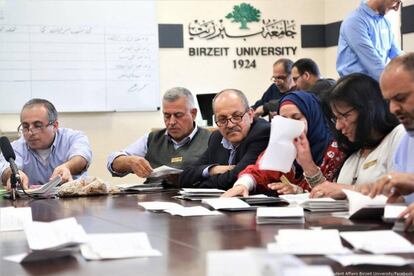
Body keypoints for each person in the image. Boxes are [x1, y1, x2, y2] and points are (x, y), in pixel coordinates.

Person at [223, 91, 345, 197]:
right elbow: (259, 171)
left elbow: (331, 194)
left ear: (313, 118)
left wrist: (299, 190)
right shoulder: (283, 144)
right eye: (284, 119)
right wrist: (243, 184)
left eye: (296, 118)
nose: (289, 125)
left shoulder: (335, 150)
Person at [309, 73, 405, 199]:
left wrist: (349, 190)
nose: (338, 126)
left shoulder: (398, 136)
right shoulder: (354, 153)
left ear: (369, 109)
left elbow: (401, 194)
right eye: (335, 118)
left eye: (344, 116)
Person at [358, 53, 414, 230]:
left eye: (400, 98)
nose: (393, 109)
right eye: (388, 101)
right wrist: (398, 199)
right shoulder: (407, 140)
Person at [107, 87, 210, 183]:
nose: (171, 122)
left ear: (193, 114)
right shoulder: (152, 139)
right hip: (152, 199)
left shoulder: (211, 140)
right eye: (167, 116)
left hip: (193, 200)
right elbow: (112, 162)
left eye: (178, 115)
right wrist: (129, 162)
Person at [180, 89, 270, 190]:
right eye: (222, 119)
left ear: (250, 115)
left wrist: (202, 184)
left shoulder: (262, 133)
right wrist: (213, 170)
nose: (230, 125)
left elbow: (237, 177)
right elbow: (185, 176)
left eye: (236, 116)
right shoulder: (216, 138)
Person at [0, 98, 92, 189]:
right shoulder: (16, 147)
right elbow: (5, 168)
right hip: (30, 202)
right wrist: (14, 174)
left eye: (38, 126)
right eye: (25, 126)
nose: (30, 132)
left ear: (55, 126)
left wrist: (67, 167)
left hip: (71, 201)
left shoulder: (73, 138)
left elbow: (82, 157)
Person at [336, 0, 402, 81]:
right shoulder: (355, 21)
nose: (396, 8)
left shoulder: (385, 23)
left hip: (374, 84)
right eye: (396, 1)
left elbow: (398, 57)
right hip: (355, 87)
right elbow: (374, 65)